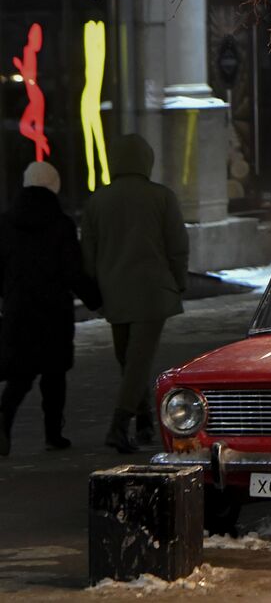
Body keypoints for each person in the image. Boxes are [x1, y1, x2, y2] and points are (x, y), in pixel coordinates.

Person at [81, 134, 189, 453]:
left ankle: (142, 421)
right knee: (138, 361)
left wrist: (95, 290)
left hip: (114, 292)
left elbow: (88, 251)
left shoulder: (97, 201)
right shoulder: (161, 197)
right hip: (153, 291)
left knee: (128, 359)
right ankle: (119, 425)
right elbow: (177, 245)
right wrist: (178, 281)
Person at [0, 162, 100, 455]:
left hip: (19, 309)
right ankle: (53, 434)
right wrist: (95, 298)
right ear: (54, 185)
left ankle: (4, 418)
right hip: (54, 311)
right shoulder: (61, 224)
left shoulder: (5, 223)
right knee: (54, 375)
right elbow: (72, 271)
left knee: (20, 373)